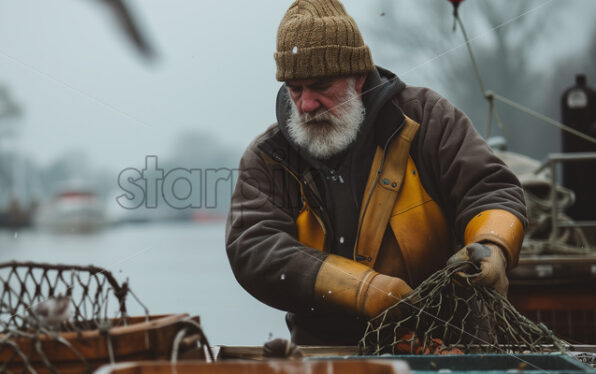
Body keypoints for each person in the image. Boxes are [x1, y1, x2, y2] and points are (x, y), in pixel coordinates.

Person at [225, 0, 527, 345]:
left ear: (357, 78)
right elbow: (253, 245)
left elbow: (490, 188)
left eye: (321, 85)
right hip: (323, 351)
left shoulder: (429, 119)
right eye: (295, 88)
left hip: (445, 343)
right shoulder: (268, 155)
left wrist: (493, 246)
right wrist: (364, 290)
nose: (306, 104)